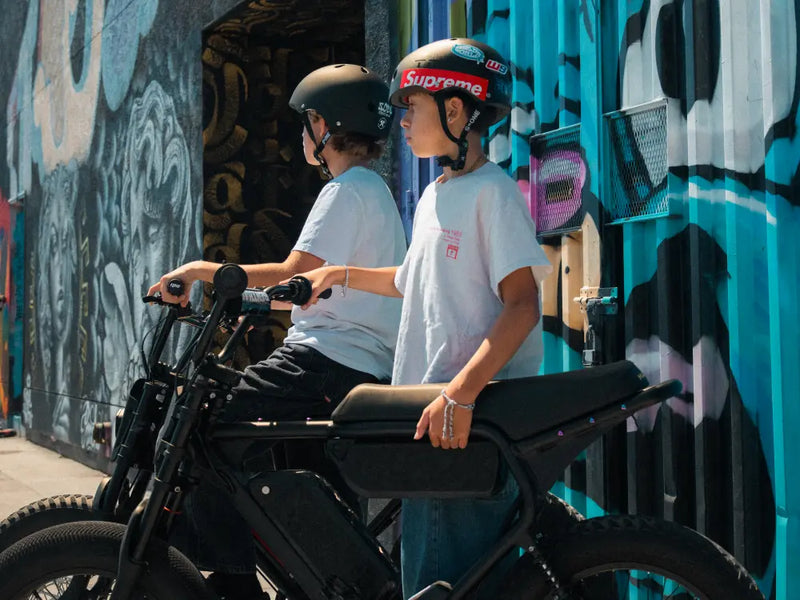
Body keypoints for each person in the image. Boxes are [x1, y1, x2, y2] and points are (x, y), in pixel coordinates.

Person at [295, 39, 552, 598]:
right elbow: (409, 282)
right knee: (428, 575)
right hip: (430, 417)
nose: (402, 121)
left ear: (455, 111)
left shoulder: (493, 194)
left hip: (463, 425)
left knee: (442, 580)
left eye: (413, 107)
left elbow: (522, 305)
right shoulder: (437, 193)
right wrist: (338, 274)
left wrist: (460, 394)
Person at [149, 64, 406, 600]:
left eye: (307, 121)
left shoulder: (346, 190)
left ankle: (233, 580)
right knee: (305, 492)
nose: (304, 134)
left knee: (204, 428)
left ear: (328, 126)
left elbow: (296, 273)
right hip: (349, 365)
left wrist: (200, 271)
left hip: (326, 361)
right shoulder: (373, 190)